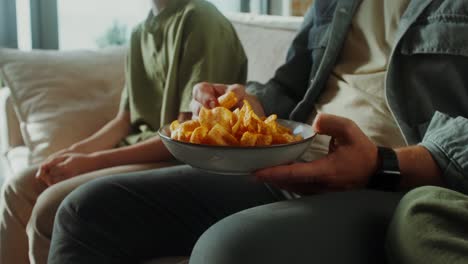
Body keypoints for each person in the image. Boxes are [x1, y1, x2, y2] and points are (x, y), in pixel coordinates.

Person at [47, 0, 468, 263]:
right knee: (85, 212)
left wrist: (384, 163)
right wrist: (249, 104)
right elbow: (290, 85)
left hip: (397, 184)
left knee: (225, 251)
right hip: (293, 161)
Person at [0, 0, 247, 263]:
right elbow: (124, 120)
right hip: (140, 149)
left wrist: (91, 163)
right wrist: (72, 152)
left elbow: (187, 137)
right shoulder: (140, 31)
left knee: (51, 202)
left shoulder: (200, 20)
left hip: (174, 157)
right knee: (19, 187)